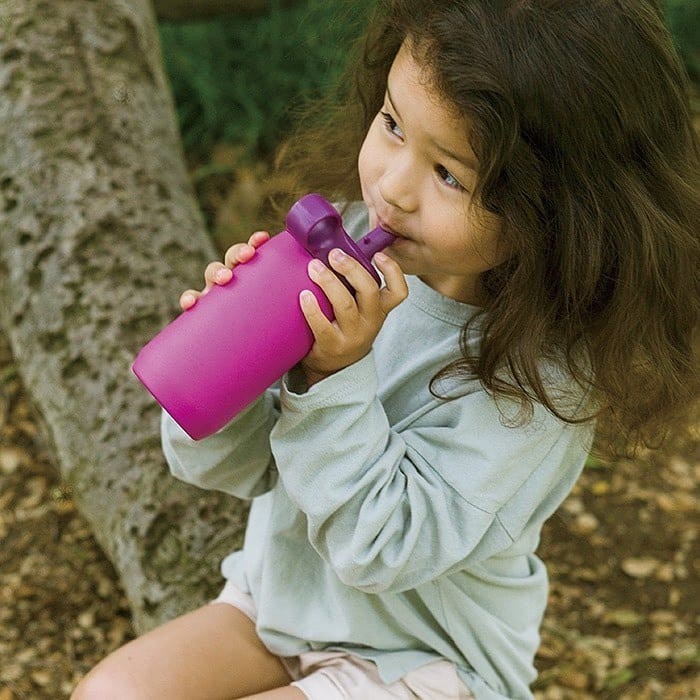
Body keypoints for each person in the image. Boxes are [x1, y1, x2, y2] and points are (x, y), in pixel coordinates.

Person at [72, 0, 699, 698]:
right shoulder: (353, 247)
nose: (393, 188)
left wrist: (331, 377)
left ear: (558, 212)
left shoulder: (539, 386)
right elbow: (238, 468)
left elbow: (380, 550)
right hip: (282, 608)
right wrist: (226, 358)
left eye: (449, 174)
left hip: (426, 659)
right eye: (394, 124)